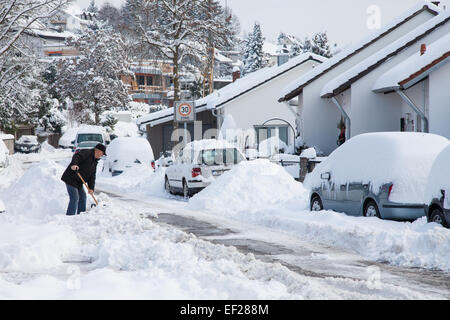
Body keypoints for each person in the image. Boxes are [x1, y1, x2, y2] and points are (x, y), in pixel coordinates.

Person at [61, 143, 106, 215]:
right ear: (98, 151)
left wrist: (91, 188)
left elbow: (92, 176)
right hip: (71, 178)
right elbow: (77, 156)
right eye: (102, 153)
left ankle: (81, 215)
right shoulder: (87, 152)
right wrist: (74, 164)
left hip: (78, 182)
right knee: (75, 197)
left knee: (83, 197)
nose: (102, 155)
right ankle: (69, 216)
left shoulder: (95, 161)